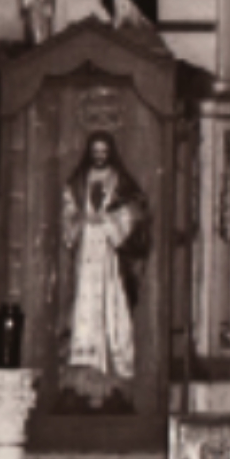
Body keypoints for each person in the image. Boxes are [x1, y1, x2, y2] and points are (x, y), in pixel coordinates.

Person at [60, 130, 148, 401]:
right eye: (95, 151)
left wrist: (110, 222)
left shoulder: (121, 181)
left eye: (104, 151)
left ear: (110, 152)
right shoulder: (77, 182)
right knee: (84, 305)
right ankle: (85, 370)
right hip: (86, 249)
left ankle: (112, 370)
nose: (99, 156)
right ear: (89, 152)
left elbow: (135, 210)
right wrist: (79, 220)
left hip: (110, 254)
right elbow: (68, 212)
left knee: (113, 305)